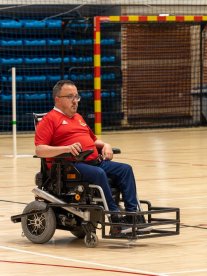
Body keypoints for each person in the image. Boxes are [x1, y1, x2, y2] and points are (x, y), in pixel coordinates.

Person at [34, 80, 151, 234]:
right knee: (99, 174)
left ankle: (133, 216)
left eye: (77, 96)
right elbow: (40, 150)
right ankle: (115, 220)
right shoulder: (49, 120)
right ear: (58, 99)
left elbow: (94, 140)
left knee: (125, 170)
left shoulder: (78, 118)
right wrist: (66, 148)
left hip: (94, 162)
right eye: (70, 97)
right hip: (70, 166)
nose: (75, 101)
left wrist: (105, 145)